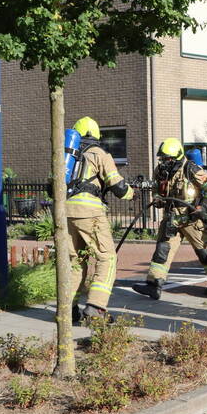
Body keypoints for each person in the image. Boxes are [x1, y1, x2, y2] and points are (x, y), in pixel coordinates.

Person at [132, 138, 207, 300]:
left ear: (177, 157)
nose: (164, 162)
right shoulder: (160, 171)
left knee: (205, 253)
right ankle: (154, 285)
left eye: (168, 159)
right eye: (162, 158)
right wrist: (157, 198)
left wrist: (202, 207)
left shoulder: (190, 169)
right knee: (162, 250)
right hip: (172, 219)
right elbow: (156, 189)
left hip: (191, 219)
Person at [65, 117, 135, 324]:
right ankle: (96, 306)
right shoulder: (100, 153)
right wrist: (132, 193)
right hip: (90, 213)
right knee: (107, 258)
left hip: (66, 213)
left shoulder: (66, 155)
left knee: (75, 261)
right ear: (95, 134)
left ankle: (68, 310)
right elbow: (118, 187)